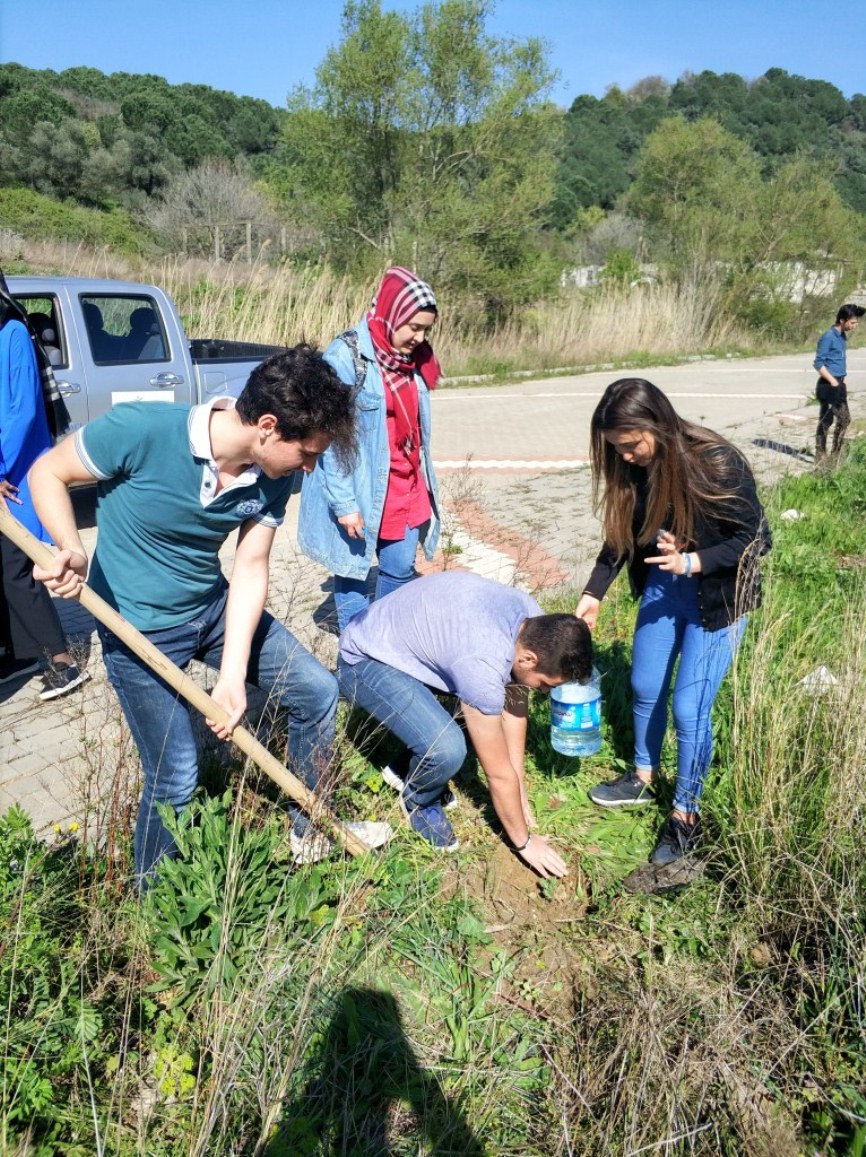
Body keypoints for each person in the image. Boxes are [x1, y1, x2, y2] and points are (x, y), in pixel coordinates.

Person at [29, 346, 390, 888]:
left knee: (315, 691)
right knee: (175, 774)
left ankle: (306, 830)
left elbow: (250, 567)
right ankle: (157, 904)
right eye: (308, 453)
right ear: (268, 427)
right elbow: (47, 472)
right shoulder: (143, 429)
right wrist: (69, 548)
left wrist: (231, 676)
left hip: (213, 609)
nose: (311, 467)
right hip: (136, 627)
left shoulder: (272, 475)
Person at [575, 378, 770, 867]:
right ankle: (642, 776)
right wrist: (592, 594)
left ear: (656, 424)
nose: (625, 456)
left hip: (717, 599)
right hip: (664, 590)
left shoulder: (714, 461)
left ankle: (686, 815)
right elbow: (621, 538)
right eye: (615, 448)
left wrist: (695, 561)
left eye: (631, 444)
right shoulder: (633, 469)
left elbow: (755, 537)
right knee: (643, 684)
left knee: (689, 709)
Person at [337, 571, 593, 878]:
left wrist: (520, 783)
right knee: (448, 749)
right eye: (546, 684)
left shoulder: (534, 620)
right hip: (364, 660)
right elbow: (497, 775)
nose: (546, 692)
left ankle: (404, 766)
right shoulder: (482, 662)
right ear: (528, 659)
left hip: (400, 645)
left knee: (485, 715)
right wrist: (524, 843)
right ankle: (419, 798)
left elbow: (514, 705)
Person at [299, 266, 441, 632]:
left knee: (398, 569)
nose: (420, 337)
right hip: (360, 486)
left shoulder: (412, 359)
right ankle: (356, 652)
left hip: (406, 487)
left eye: (426, 329)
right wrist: (344, 504)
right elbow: (328, 438)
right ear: (391, 313)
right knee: (353, 572)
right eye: (413, 327)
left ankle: (387, 644)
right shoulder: (347, 357)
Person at [0, 309, 89, 699]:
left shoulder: (13, 332)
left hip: (15, 472)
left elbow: (23, 414)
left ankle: (63, 662)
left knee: (17, 568)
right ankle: (17, 656)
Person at [813, 303, 865, 460]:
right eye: (853, 322)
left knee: (845, 419)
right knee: (826, 421)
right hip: (829, 384)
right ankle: (820, 456)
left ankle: (836, 454)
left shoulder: (842, 336)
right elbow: (818, 363)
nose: (855, 326)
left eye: (856, 322)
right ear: (842, 320)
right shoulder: (828, 337)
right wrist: (833, 382)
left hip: (839, 384)